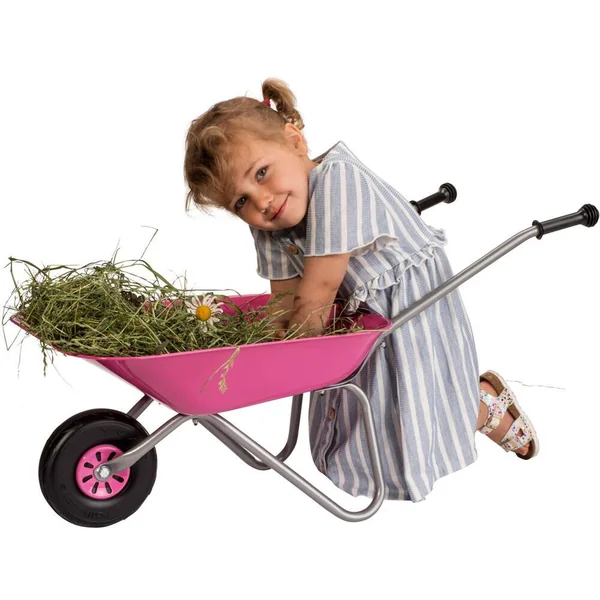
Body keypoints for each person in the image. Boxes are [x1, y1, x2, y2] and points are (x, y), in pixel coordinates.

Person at [183, 78, 538, 502]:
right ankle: (428, 428)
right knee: (371, 403)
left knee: (415, 394)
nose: (261, 201)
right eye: (240, 202)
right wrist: (262, 344)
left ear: (295, 142)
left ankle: (481, 407)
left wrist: (284, 358)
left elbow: (318, 290)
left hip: (407, 299)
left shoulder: (339, 181)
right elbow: (284, 300)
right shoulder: (269, 223)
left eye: (261, 173)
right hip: (355, 309)